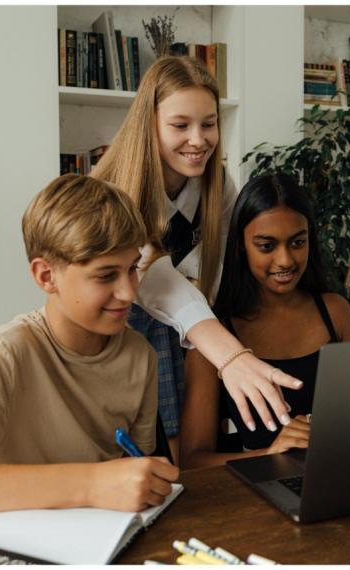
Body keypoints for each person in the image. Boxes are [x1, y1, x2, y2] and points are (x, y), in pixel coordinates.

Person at [0, 175, 179, 523]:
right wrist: (91, 483)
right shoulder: (5, 353)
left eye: (132, 269)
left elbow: (135, 466)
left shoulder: (140, 355)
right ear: (45, 276)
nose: (129, 293)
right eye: (105, 276)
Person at [92, 56, 300, 459]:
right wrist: (230, 355)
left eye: (209, 123)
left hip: (190, 332)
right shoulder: (115, 190)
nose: (198, 139)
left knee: (186, 459)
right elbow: (153, 276)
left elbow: (227, 260)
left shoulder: (216, 184)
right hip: (122, 333)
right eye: (180, 125)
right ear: (149, 124)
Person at [179, 173, 350, 469]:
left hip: (338, 472)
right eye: (266, 246)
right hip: (257, 492)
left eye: (297, 242)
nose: (285, 260)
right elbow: (192, 461)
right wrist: (270, 456)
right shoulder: (214, 336)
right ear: (240, 245)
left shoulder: (336, 312)